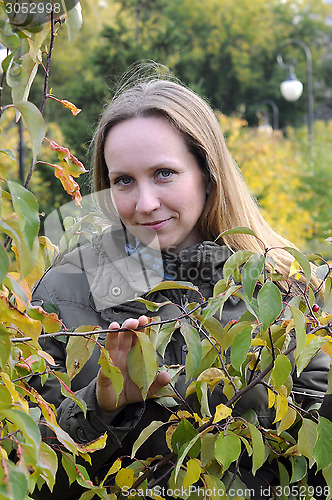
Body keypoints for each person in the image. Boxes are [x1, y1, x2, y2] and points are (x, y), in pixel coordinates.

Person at [30, 65, 329, 500]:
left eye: (164, 173)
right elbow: (35, 480)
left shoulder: (282, 291)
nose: (145, 203)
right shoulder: (65, 293)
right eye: (124, 181)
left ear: (208, 173)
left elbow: (316, 468)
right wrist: (102, 406)